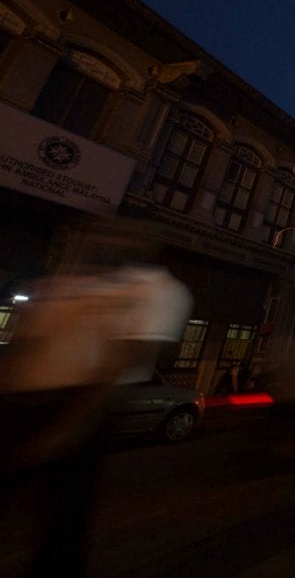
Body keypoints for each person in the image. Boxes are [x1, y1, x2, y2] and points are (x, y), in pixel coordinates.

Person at [0, 216, 192, 576]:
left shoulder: (156, 290)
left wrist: (70, 427)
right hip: (21, 404)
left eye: (124, 234)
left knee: (60, 528)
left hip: (77, 408)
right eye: (101, 232)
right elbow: (25, 346)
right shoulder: (69, 281)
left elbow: (121, 361)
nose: (107, 240)